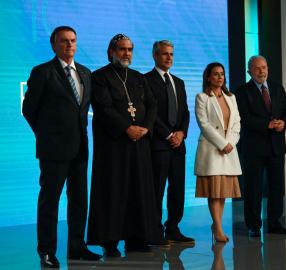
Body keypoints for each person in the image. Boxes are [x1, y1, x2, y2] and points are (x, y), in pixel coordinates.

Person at [22, 26, 101, 268]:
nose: (69, 45)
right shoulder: (42, 72)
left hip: (80, 148)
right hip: (53, 150)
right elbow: (29, 110)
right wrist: (47, 136)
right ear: (54, 44)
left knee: (79, 201)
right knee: (50, 201)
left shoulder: (86, 73)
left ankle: (77, 247)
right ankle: (46, 251)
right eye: (64, 41)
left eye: (73, 41)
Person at [86, 34, 158, 256]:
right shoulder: (99, 77)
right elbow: (103, 107)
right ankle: (110, 241)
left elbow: (151, 104)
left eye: (130, 49)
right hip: (114, 145)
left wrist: (145, 128)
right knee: (113, 190)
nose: (126, 53)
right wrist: (127, 128)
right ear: (111, 52)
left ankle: (137, 237)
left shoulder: (138, 77)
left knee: (139, 190)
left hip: (139, 144)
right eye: (121, 49)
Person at [235, 55, 286, 237]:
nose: (261, 71)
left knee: (276, 186)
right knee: (253, 188)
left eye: (264, 67)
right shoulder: (242, 91)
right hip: (253, 147)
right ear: (249, 71)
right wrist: (265, 124)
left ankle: (275, 223)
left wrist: (284, 122)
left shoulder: (277, 88)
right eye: (257, 68)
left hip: (276, 144)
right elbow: (243, 118)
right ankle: (253, 225)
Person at [145, 40, 194, 244]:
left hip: (178, 145)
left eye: (171, 54)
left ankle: (172, 228)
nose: (169, 58)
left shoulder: (179, 82)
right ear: (155, 56)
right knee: (156, 189)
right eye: (165, 54)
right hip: (158, 144)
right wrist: (168, 135)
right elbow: (150, 113)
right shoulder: (145, 80)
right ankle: (154, 230)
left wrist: (181, 133)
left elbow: (185, 112)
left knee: (177, 189)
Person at [194, 62, 242, 242]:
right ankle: (218, 228)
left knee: (222, 192)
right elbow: (204, 124)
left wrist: (230, 143)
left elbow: (237, 122)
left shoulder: (231, 97)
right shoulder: (202, 97)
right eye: (216, 74)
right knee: (214, 191)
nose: (220, 77)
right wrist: (222, 143)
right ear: (208, 77)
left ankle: (217, 224)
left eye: (222, 74)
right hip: (212, 150)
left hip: (228, 150)